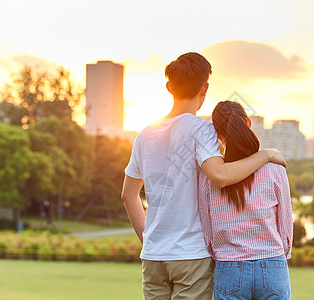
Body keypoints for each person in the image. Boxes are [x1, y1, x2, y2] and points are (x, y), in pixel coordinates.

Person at [121, 52, 287, 300]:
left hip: (154, 257)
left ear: (169, 87)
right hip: (190, 255)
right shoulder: (201, 129)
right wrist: (265, 155)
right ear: (205, 88)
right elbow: (220, 175)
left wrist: (148, 240)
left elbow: (128, 195)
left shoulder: (145, 134)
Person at [198, 101, 293, 300]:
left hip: (228, 266)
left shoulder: (208, 176)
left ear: (217, 134)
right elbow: (285, 227)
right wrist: (277, 255)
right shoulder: (275, 168)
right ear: (248, 123)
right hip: (272, 264)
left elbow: (207, 230)